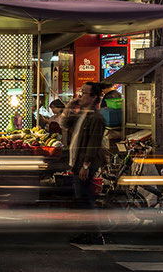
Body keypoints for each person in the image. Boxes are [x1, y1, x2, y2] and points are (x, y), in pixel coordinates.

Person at [64, 82, 107, 244]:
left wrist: (86, 165)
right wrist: (69, 106)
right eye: (80, 93)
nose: (80, 96)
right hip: (76, 162)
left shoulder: (96, 118)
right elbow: (65, 124)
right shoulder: (82, 114)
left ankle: (95, 234)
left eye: (84, 94)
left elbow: (93, 143)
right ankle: (86, 232)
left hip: (85, 164)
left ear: (94, 97)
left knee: (85, 200)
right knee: (81, 199)